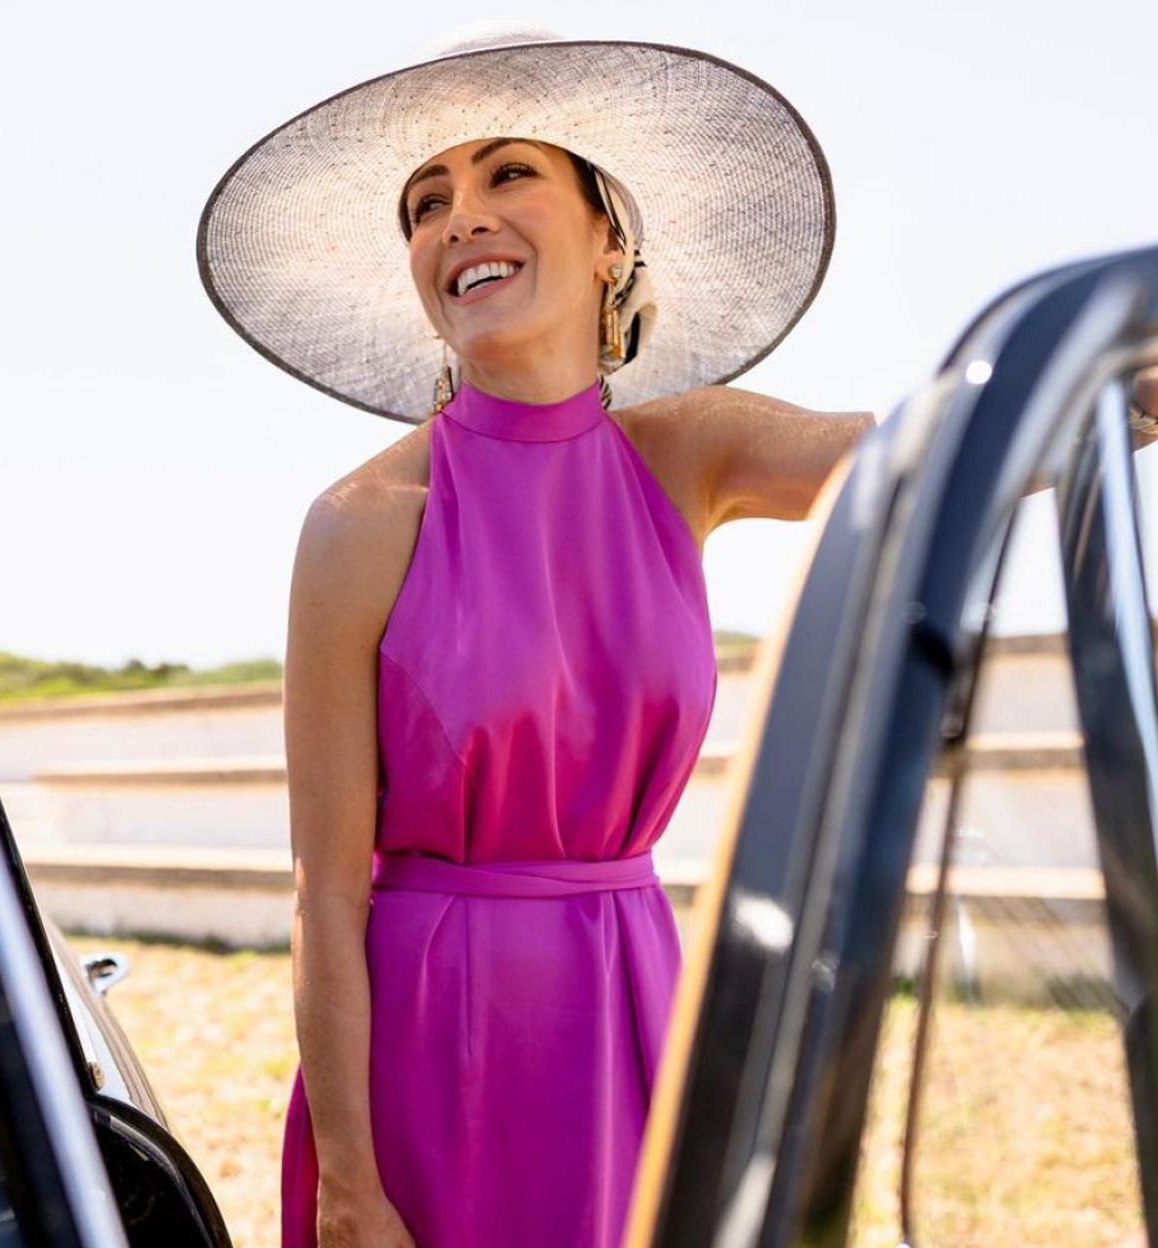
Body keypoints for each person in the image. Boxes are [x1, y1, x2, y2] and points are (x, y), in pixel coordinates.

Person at [196, 24, 1158, 1248]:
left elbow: (916, 452)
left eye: (509, 176)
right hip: (431, 1049)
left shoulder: (689, 449)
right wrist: (347, 1181)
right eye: (427, 203)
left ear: (610, 240)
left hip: (635, 999)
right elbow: (324, 890)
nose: (461, 218)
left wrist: (1105, 397)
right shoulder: (358, 525)